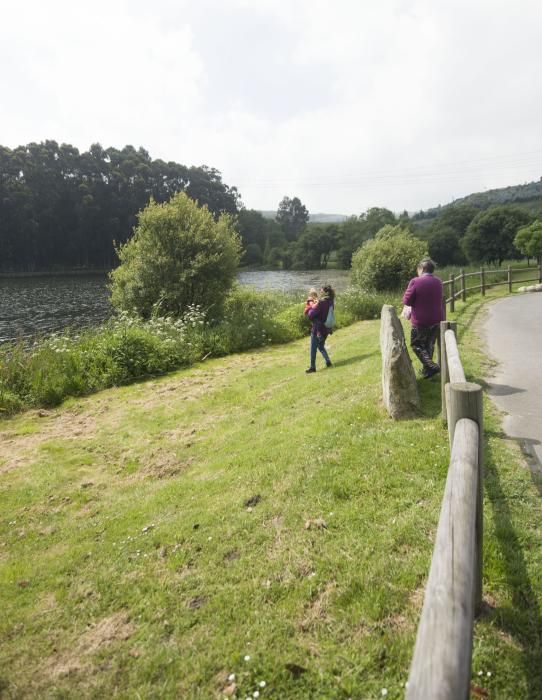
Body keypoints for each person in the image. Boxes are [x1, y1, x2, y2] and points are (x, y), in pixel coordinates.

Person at [402, 258, 444, 378]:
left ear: (422, 269)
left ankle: (432, 366)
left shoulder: (415, 281)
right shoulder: (438, 281)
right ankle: (428, 371)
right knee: (429, 345)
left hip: (421, 320)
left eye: (418, 269)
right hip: (436, 319)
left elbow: (407, 301)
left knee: (417, 345)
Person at [305, 284, 334, 373]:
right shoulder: (331, 301)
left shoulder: (321, 302)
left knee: (313, 348)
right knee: (320, 346)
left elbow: (311, 315)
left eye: (321, 290)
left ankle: (312, 367)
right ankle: (328, 361)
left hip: (318, 329)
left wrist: (309, 308)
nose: (320, 292)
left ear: (325, 292)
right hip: (326, 328)